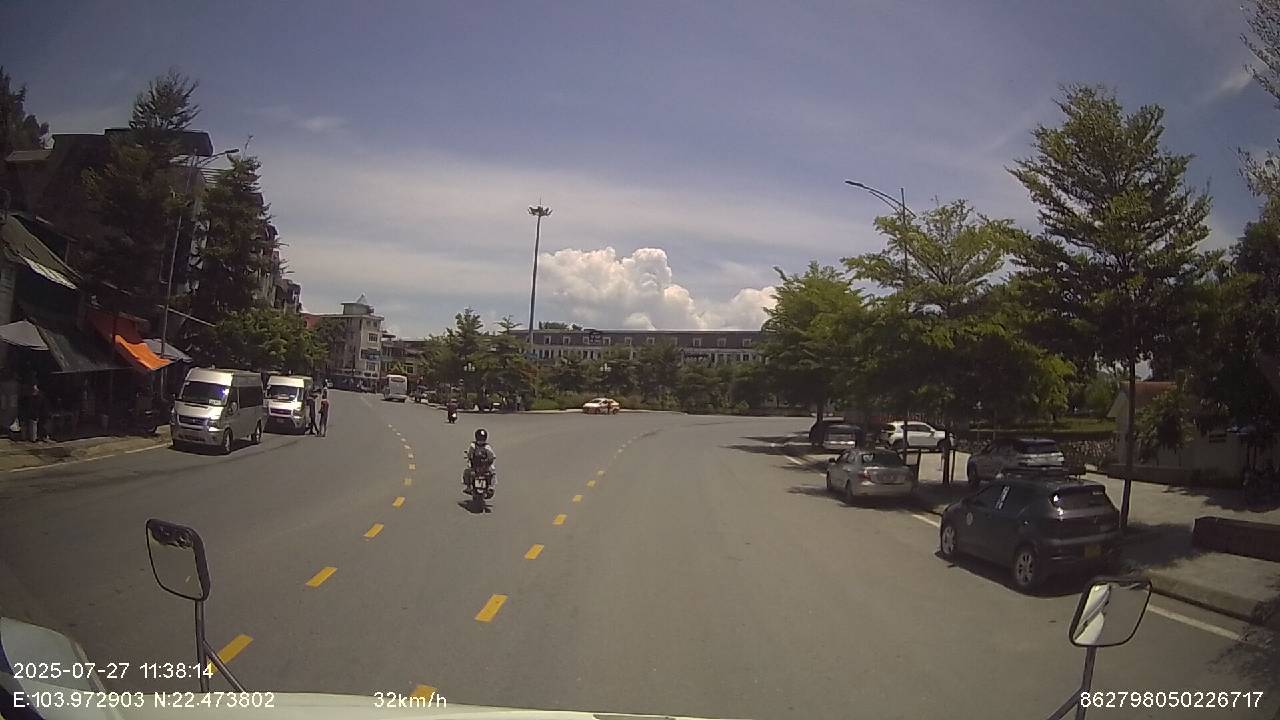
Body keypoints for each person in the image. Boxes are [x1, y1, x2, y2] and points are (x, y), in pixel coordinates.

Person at [462, 428, 497, 498]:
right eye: (479, 439)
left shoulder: (487, 447)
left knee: (492, 472)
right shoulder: (473, 446)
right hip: (475, 465)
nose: (481, 441)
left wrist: (489, 460)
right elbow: (469, 454)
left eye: (482, 439)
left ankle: (491, 487)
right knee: (467, 472)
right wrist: (469, 457)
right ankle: (468, 486)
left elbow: (492, 455)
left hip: (485, 466)